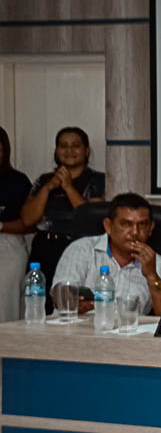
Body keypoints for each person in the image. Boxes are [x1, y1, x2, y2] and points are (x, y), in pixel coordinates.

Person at [52, 192, 161, 316]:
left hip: (128, 335)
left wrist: (152, 276)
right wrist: (75, 301)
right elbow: (60, 294)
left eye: (142, 225)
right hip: (78, 332)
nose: (135, 232)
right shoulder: (82, 249)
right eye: (126, 224)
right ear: (108, 226)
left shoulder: (158, 264)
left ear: (150, 229)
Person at [20, 126, 105, 295]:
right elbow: (28, 220)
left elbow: (92, 220)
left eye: (76, 146)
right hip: (44, 248)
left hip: (78, 248)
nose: (69, 150)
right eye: (63, 146)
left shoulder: (98, 179)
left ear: (86, 151)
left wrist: (68, 187)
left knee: (72, 302)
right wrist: (47, 188)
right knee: (41, 303)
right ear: (56, 151)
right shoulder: (44, 180)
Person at [0, 126, 33, 322]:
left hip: (8, 246)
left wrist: (1, 226)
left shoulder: (17, 181)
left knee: (6, 304)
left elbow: (31, 223)